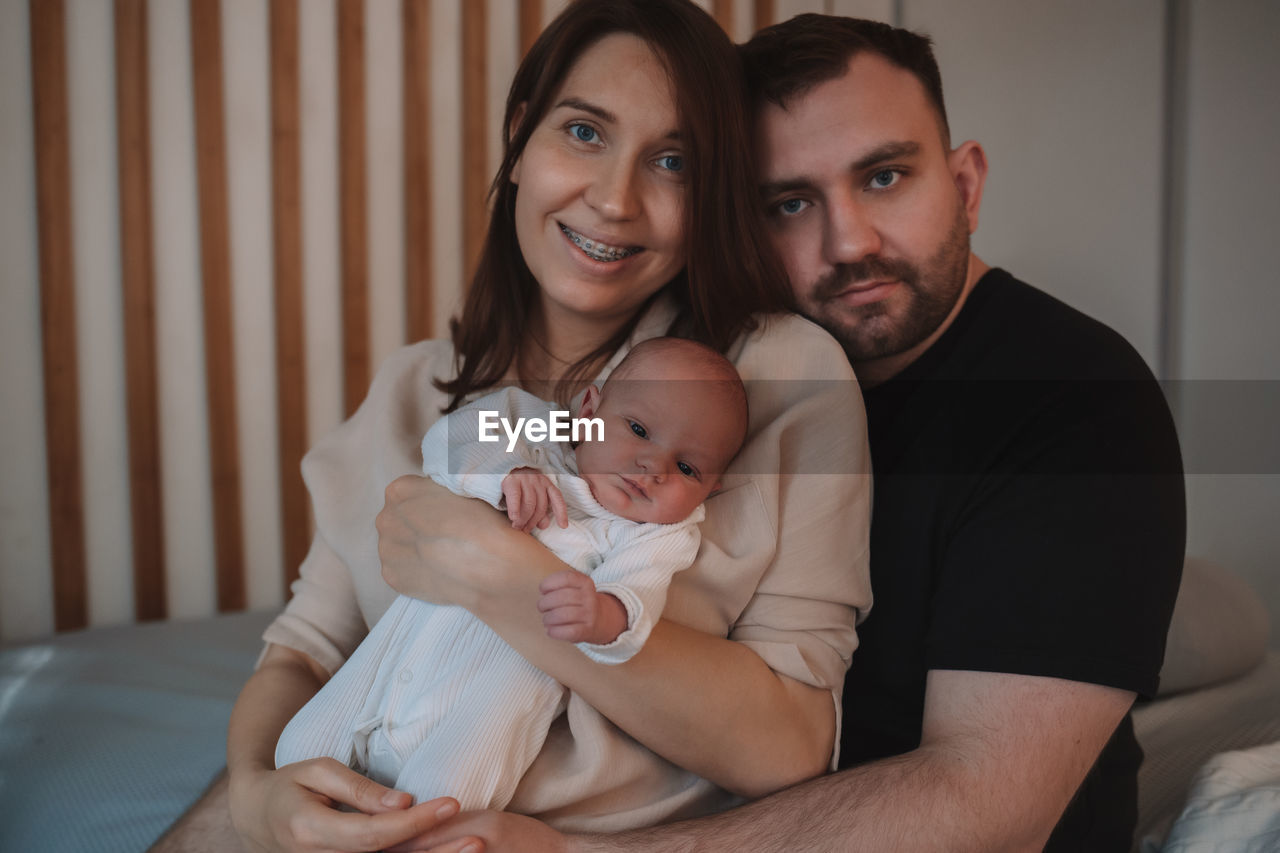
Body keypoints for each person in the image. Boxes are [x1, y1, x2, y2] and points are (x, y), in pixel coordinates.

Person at [396, 14, 1186, 853]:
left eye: (885, 177)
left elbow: (987, 802)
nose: (848, 242)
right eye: (788, 203)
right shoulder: (714, 372)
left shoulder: (1073, 395)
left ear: (966, 184)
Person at [148, 2, 872, 851]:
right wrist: (254, 794)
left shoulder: (775, 378)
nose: (613, 200)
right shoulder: (413, 390)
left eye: (672, 161)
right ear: (521, 138)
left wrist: (502, 574)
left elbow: (794, 741)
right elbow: (301, 654)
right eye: (584, 133)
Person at [274, 338, 750, 815]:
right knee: (299, 750)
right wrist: (508, 469)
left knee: (444, 798)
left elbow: (640, 588)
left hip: (495, 692)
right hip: (405, 642)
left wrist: (605, 614)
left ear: (712, 488)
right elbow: (453, 437)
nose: (654, 467)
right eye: (640, 429)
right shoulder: (538, 430)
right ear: (588, 410)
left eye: (687, 467)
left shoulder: (656, 534)